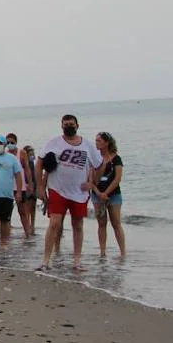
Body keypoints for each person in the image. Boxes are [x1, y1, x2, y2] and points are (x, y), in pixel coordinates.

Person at [37, 114, 102, 271]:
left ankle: (77, 261)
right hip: (57, 189)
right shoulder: (53, 143)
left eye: (71, 124)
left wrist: (92, 183)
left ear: (77, 125)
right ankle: (46, 261)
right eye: (65, 124)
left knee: (77, 224)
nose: (69, 126)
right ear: (61, 126)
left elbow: (100, 164)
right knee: (54, 223)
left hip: (79, 193)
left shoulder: (86, 145)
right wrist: (40, 186)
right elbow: (39, 163)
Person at [91, 132, 126, 260]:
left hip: (113, 194)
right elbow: (90, 179)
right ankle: (102, 252)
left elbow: (117, 178)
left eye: (99, 141)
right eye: (96, 141)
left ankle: (123, 252)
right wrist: (99, 193)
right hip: (97, 194)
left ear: (107, 142)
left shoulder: (116, 159)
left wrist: (106, 193)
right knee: (101, 223)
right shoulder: (94, 159)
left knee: (116, 223)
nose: (96, 143)